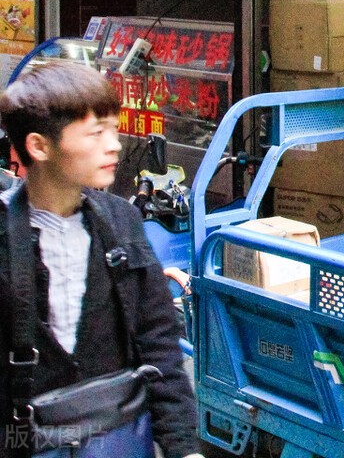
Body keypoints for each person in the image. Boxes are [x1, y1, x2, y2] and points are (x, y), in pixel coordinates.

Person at [0, 62, 200, 458]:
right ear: (39, 146)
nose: (114, 145)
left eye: (113, 128)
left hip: (118, 440)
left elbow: (158, 344)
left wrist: (183, 447)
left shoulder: (122, 221)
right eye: (96, 133)